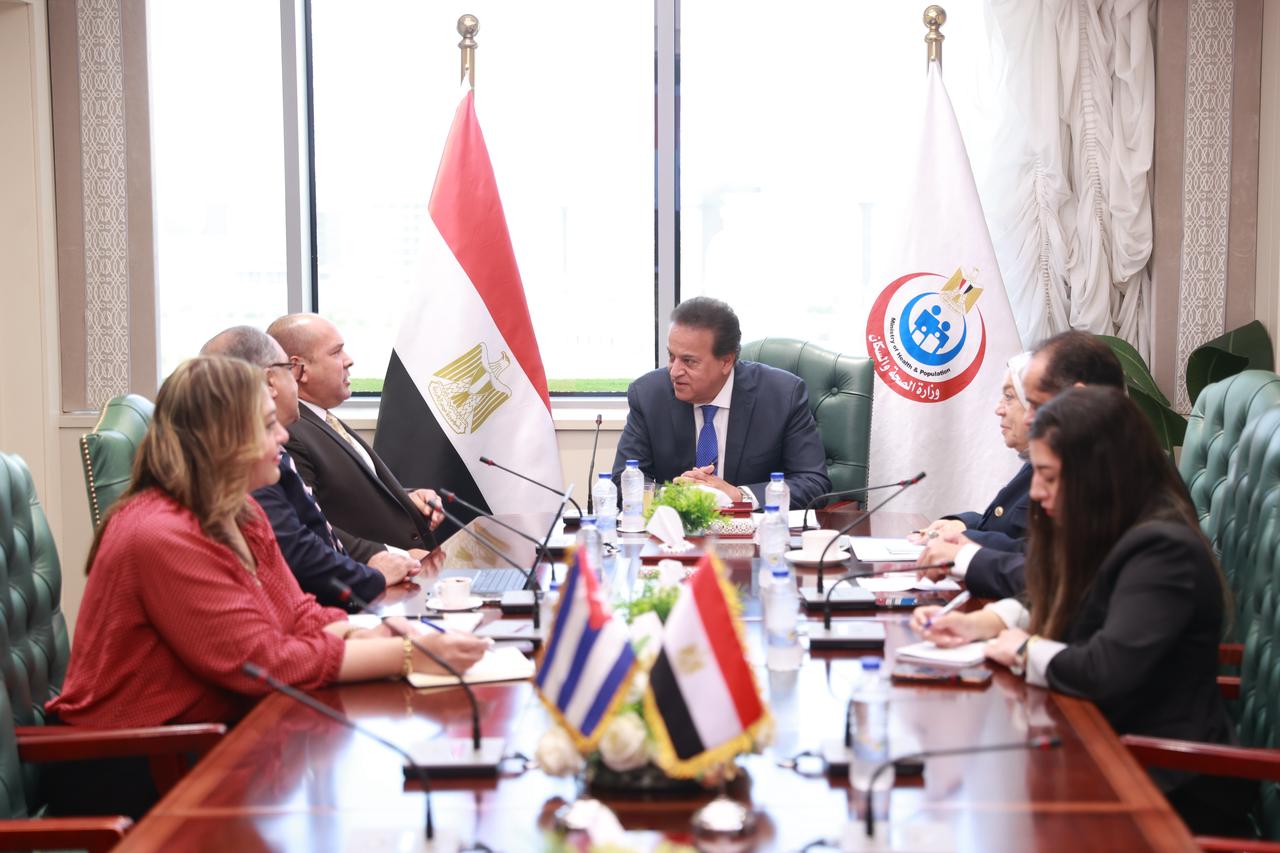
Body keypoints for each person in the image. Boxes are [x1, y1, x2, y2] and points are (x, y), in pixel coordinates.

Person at [47, 356, 487, 815]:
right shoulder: (160, 533)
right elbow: (266, 664)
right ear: (223, 437)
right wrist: (408, 655)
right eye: (267, 425)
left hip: (209, 738)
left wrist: (379, 634)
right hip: (134, 762)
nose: (283, 437)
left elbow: (298, 614)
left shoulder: (240, 512)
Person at [910, 387, 1254, 835]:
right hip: (1108, 749)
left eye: (1049, 476)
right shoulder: (1112, 520)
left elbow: (1104, 670)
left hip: (1165, 790)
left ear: (1099, 473)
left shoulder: (1162, 549)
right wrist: (979, 623)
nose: (1036, 492)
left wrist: (1022, 650)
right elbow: (1064, 594)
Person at [201, 326, 422, 608]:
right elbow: (299, 554)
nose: (281, 437)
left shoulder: (277, 445)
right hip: (336, 603)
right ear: (270, 381)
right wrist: (373, 575)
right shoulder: (250, 466)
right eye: (288, 368)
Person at [918, 331, 1125, 598]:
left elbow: (1062, 578)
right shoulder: (1075, 456)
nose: (1029, 419)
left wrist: (965, 554)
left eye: (1034, 404)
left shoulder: (1108, 476)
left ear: (1079, 399)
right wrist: (998, 617)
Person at [611, 297, 831, 508]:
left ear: (726, 361)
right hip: (675, 530)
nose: (675, 371)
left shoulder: (782, 396)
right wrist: (681, 497)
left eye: (689, 361)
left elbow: (813, 483)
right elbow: (624, 481)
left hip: (755, 530)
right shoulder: (649, 395)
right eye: (671, 357)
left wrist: (738, 495)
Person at [268, 313, 444, 561]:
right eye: (336, 352)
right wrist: (394, 555)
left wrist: (405, 497)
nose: (348, 360)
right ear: (299, 369)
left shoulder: (321, 417)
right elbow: (308, 522)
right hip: (378, 574)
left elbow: (348, 495)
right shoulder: (290, 430)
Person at [910, 351, 1033, 555]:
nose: (998, 409)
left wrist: (965, 542)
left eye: (1010, 397)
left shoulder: (1066, 471)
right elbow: (1003, 529)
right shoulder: (1033, 463)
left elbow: (1035, 556)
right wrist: (962, 524)